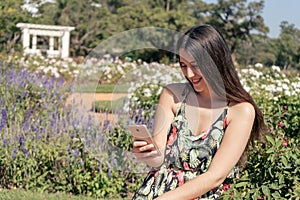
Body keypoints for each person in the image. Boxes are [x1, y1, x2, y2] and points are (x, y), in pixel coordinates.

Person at [131, 24, 266, 200]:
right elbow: (158, 159)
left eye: (195, 65)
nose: (189, 74)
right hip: (157, 191)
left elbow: (215, 177)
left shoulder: (240, 111)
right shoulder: (172, 95)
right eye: (183, 65)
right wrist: (145, 152)